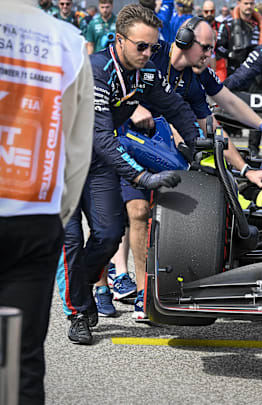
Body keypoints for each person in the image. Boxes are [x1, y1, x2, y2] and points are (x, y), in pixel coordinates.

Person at [115, 15, 262, 321]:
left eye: (212, 48)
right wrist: (133, 106)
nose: (210, 55)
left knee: (147, 211)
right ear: (183, 41)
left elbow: (214, 125)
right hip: (118, 138)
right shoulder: (151, 52)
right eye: (205, 48)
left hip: (159, 149)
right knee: (127, 215)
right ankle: (116, 279)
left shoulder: (194, 80)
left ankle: (144, 290)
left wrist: (246, 169)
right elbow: (112, 70)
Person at [59, 4, 201, 345]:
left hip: (97, 164)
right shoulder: (97, 71)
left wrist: (197, 144)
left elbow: (176, 108)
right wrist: (142, 178)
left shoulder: (147, 72)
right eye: (141, 46)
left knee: (108, 235)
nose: (148, 53)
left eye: (153, 47)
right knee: (72, 242)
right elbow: (104, 138)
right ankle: (79, 310)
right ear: (119, 40)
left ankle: (82, 288)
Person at [0, 1, 92, 401]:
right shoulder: (67, 41)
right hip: (35, 215)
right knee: (20, 363)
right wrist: (59, 214)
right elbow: (77, 148)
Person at [216, 0, 262, 75]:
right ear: (239, 3)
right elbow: (219, 46)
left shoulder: (260, 25)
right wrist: (230, 54)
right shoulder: (227, 25)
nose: (249, 6)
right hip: (235, 70)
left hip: (256, 73)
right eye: (246, 3)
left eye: (251, 4)